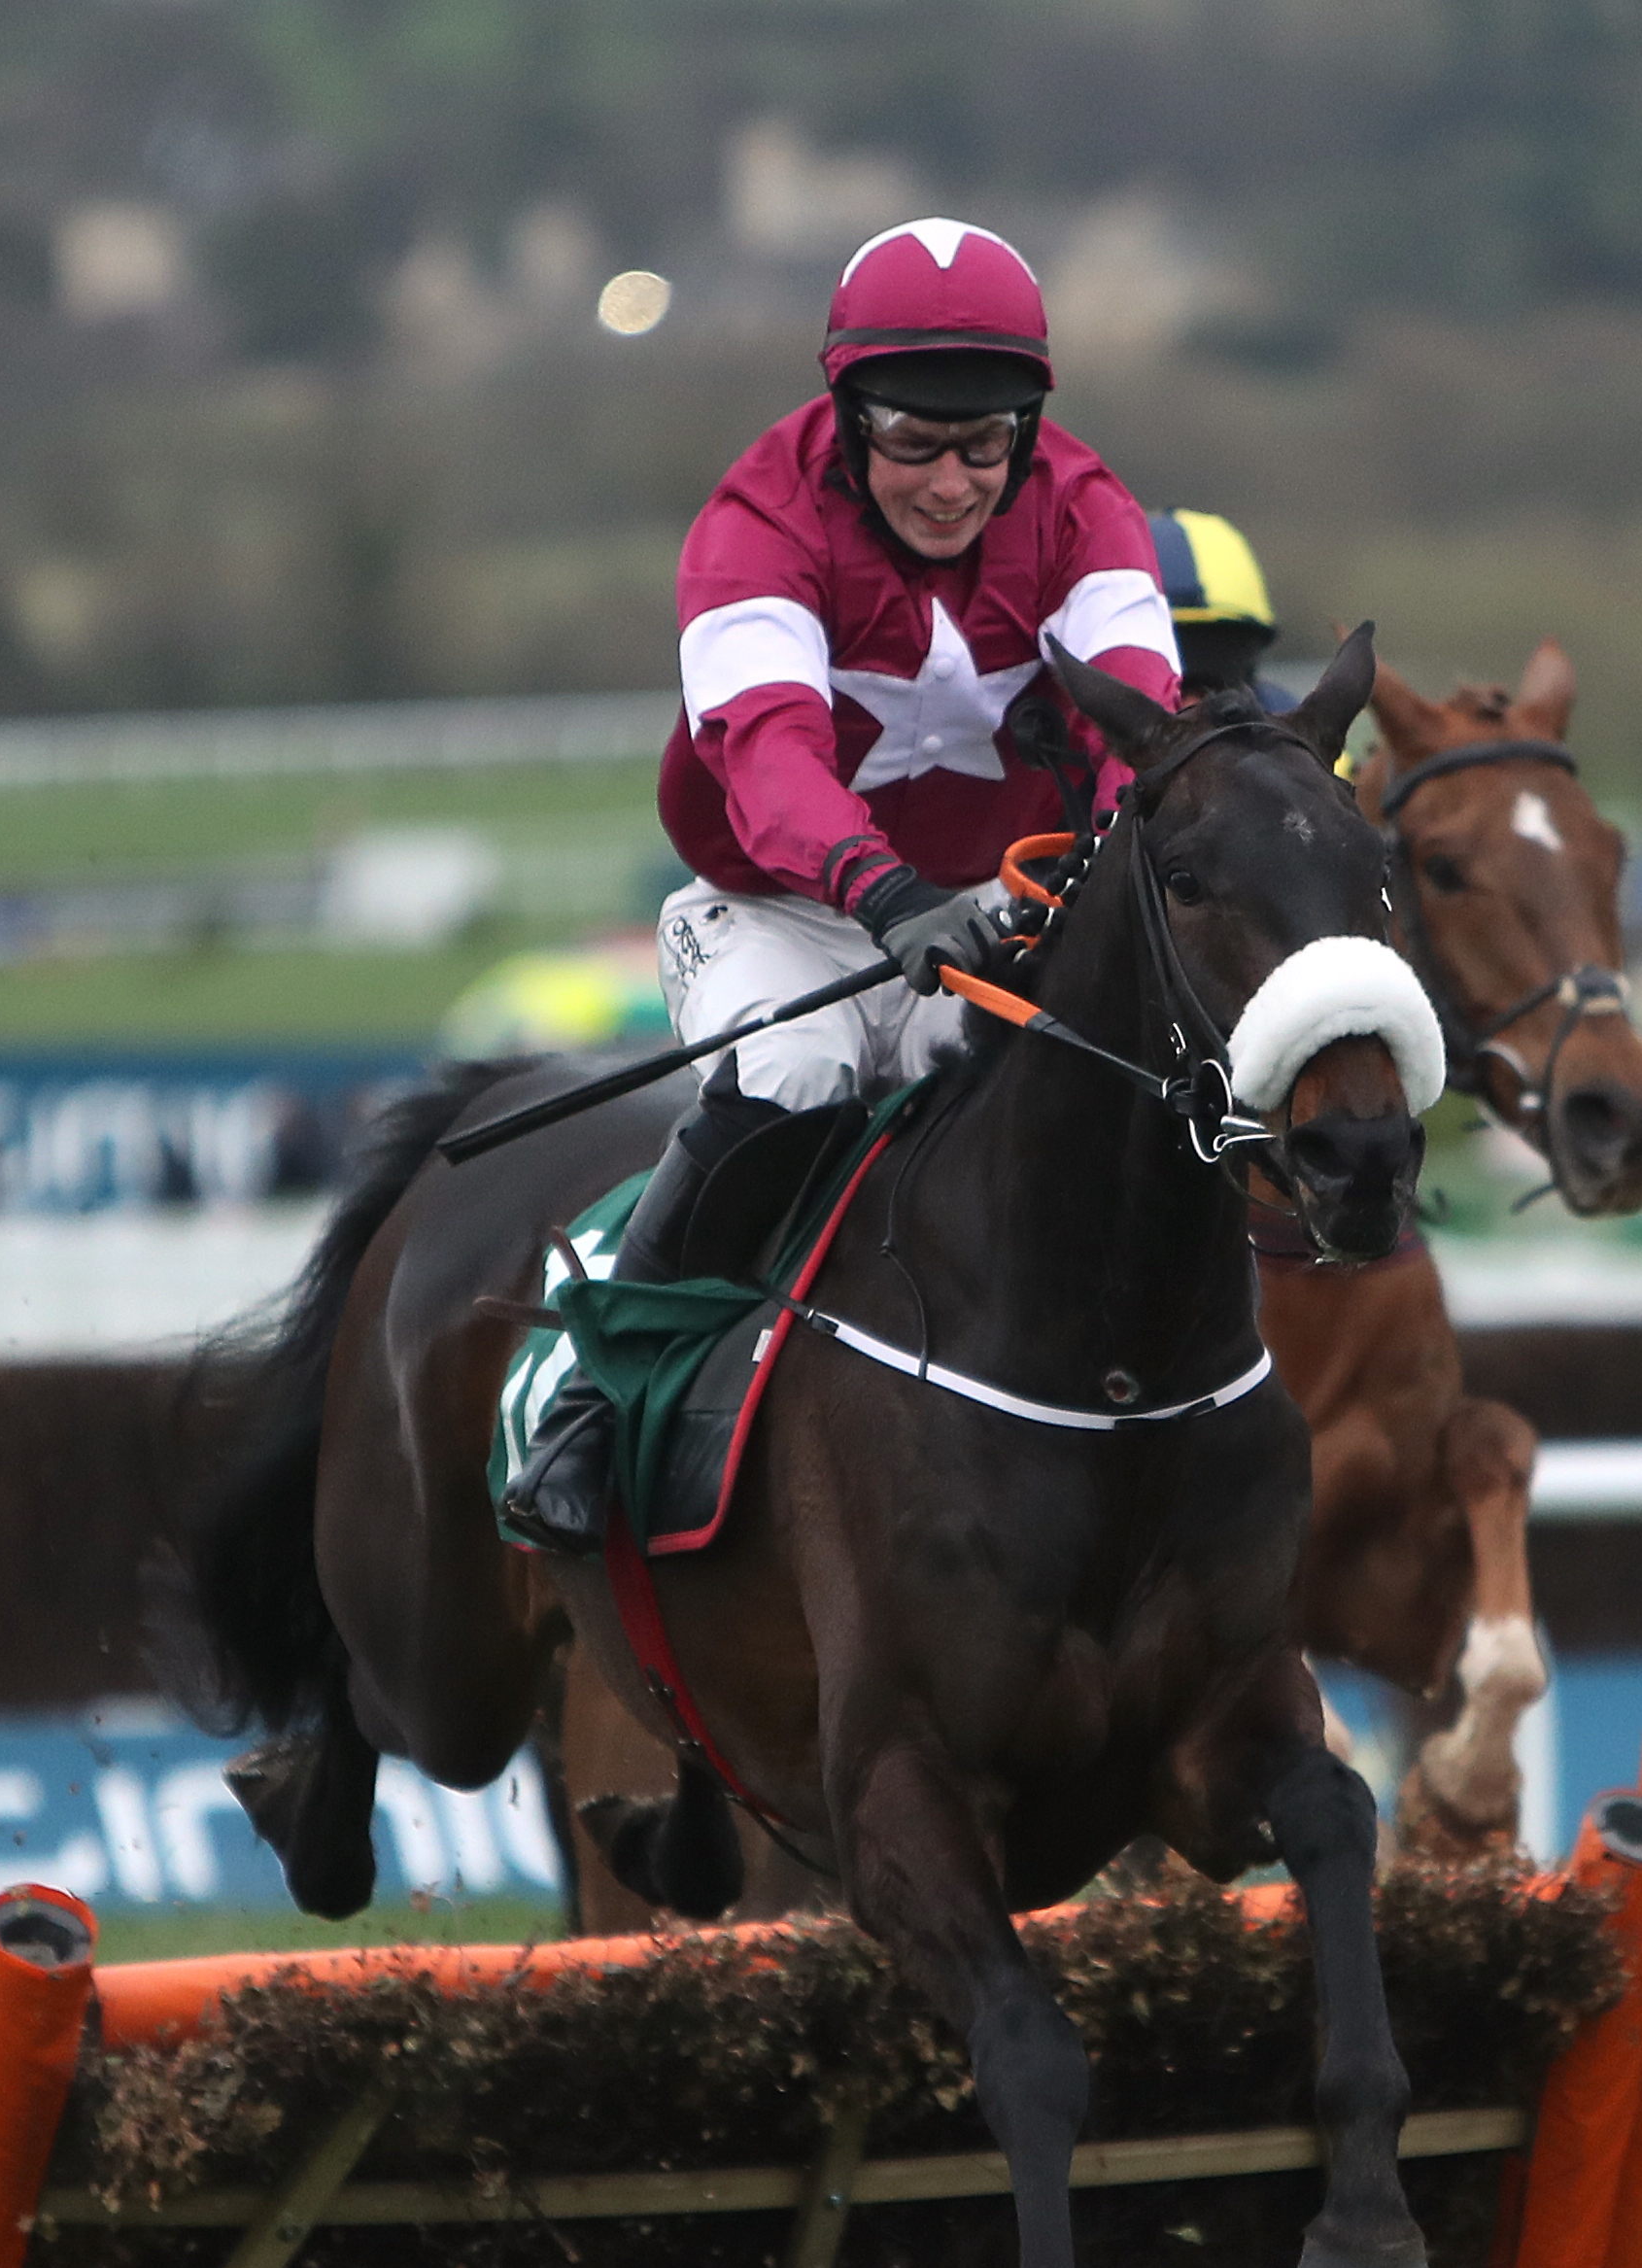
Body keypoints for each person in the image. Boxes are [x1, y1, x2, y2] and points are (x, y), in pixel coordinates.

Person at [505, 217, 1183, 1549]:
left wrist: (1087, 874)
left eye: (984, 443)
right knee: (804, 1071)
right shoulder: (754, 523)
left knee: (1045, 1103)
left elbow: (1138, 725)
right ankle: (601, 1385)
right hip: (779, 903)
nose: (949, 482)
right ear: (846, 414)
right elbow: (764, 756)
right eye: (912, 442)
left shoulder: (1089, 514)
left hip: (985, 905)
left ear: (1030, 428)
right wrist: (882, 896)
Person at [1146, 508, 1286, 706]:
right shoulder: (1294, 725)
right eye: (1175, 693)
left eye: (1211, 691)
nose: (1192, 708)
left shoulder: (1292, 722)